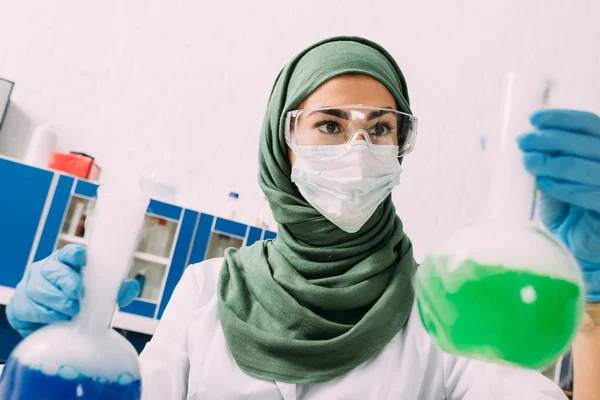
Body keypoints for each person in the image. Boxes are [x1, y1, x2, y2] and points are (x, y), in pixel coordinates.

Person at [5, 36, 600, 399]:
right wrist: (40, 347)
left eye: (381, 128)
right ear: (282, 141)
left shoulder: (443, 307)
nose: (358, 149)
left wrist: (593, 311)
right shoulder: (206, 291)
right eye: (331, 124)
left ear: (401, 145)